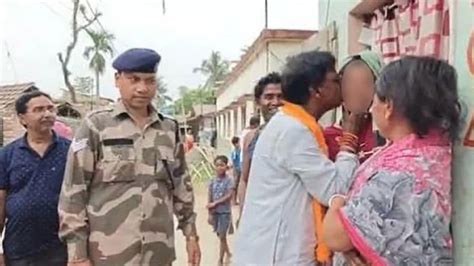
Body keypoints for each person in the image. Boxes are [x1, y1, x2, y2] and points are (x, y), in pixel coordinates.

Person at [58, 48, 201, 266]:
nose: (142, 88)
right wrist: (78, 254)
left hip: (158, 253)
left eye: (150, 81)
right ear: (118, 79)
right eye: (134, 79)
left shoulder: (169, 129)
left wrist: (191, 234)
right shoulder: (96, 126)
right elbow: (74, 192)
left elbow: (182, 186)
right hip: (108, 255)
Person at [322, 56, 462, 265]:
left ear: (389, 106)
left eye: (375, 96)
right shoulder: (436, 151)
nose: (370, 107)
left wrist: (337, 202)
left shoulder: (396, 172)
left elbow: (334, 236)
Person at [234, 51, 366, 265]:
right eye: (335, 80)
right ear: (316, 91)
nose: (342, 84)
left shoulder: (294, 124)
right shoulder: (293, 130)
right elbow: (333, 190)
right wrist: (349, 138)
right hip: (276, 256)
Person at [0, 91, 71, 266]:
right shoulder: (7, 155)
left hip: (61, 246)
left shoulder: (71, 152)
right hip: (19, 248)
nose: (47, 114)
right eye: (39, 109)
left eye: (50, 109)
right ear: (22, 118)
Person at [324, 50, 385, 162]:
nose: (356, 90)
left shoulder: (385, 130)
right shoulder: (327, 137)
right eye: (349, 82)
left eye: (365, 83)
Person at [237, 72, 283, 211]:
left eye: (280, 97)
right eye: (269, 97)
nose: (275, 102)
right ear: (258, 102)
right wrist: (244, 215)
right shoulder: (252, 137)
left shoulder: (297, 134)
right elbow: (244, 180)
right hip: (259, 214)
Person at [206, 155, 234, 266]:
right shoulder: (212, 181)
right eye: (217, 165)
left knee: (222, 236)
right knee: (220, 236)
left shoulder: (229, 180)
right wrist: (210, 213)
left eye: (222, 165)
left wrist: (216, 203)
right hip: (215, 213)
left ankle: (220, 260)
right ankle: (228, 252)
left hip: (224, 212)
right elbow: (210, 196)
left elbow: (229, 195)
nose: (219, 168)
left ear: (226, 166)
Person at [229, 136, 241, 204]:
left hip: (240, 169)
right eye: (238, 142)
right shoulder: (234, 152)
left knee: (239, 184)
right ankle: (233, 200)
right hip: (236, 169)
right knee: (235, 185)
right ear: (235, 144)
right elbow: (233, 161)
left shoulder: (240, 150)